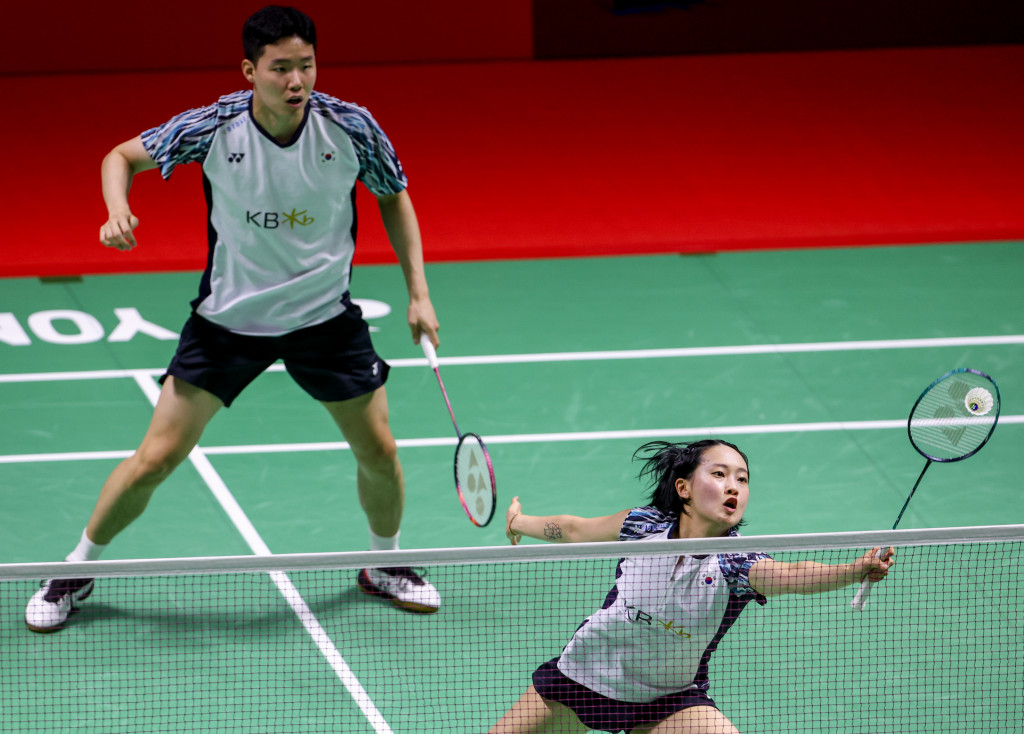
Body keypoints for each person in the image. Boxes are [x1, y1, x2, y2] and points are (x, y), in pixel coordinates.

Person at [25, 6, 441, 632]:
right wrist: (116, 211)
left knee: (379, 449)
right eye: (280, 69)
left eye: (306, 65)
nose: (296, 80)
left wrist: (419, 293)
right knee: (156, 458)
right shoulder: (214, 126)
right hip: (228, 323)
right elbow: (121, 156)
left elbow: (394, 195)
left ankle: (385, 563)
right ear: (250, 71)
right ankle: (77, 568)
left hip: (324, 320)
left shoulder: (350, 127)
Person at [492, 440, 895, 734]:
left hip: (666, 699)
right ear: (683, 488)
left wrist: (855, 569)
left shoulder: (737, 562)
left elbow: (789, 575)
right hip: (581, 677)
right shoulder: (643, 526)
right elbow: (576, 528)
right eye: (719, 474)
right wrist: (518, 522)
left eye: (742, 479)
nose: (733, 486)